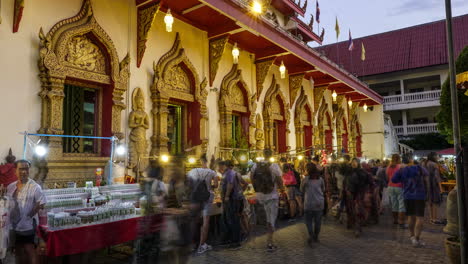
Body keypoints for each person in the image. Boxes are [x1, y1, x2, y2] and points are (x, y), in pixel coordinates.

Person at [7, 160, 46, 264]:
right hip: (13, 226)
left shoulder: (35, 187)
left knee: (30, 250)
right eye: (21, 169)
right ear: (15, 170)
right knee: (18, 250)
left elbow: (42, 203)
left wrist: (31, 213)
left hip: (28, 225)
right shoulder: (11, 187)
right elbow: (6, 203)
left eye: (26, 169)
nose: (24, 172)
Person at [392, 153, 429, 247]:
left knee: (410, 217)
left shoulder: (402, 170)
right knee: (419, 217)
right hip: (419, 195)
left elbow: (394, 180)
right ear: (411, 159)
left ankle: (412, 237)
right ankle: (417, 239)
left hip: (407, 196)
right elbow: (427, 178)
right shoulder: (420, 168)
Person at [250, 149, 283, 252]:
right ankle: (270, 243)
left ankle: (269, 240)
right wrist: (281, 189)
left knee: (267, 218)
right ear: (271, 155)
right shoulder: (274, 166)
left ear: (263, 155)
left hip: (261, 196)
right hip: (271, 196)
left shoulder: (255, 165)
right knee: (272, 220)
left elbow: (251, 177)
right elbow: (279, 180)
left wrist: (257, 188)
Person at [187, 154, 218, 254]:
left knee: (194, 221)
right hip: (207, 198)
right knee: (206, 221)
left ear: (200, 162)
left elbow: (187, 184)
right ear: (207, 162)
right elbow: (216, 185)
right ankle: (202, 245)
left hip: (195, 198)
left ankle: (192, 245)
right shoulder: (212, 172)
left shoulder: (192, 171)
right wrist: (209, 187)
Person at [300, 163, 324, 246]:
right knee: (318, 222)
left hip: (309, 203)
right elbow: (323, 189)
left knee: (308, 221)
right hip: (319, 203)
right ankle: (316, 237)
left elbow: (301, 190)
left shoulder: (305, 179)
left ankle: (311, 235)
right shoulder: (320, 179)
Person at [220, 160, 242, 249]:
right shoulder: (228, 173)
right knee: (229, 219)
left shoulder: (230, 173)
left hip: (232, 199)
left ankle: (236, 241)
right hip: (232, 199)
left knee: (233, 220)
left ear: (226, 165)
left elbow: (230, 184)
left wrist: (227, 196)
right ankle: (229, 239)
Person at [386, 154, 406, 227]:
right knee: (401, 205)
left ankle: (395, 220)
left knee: (394, 204)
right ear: (399, 158)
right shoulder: (401, 166)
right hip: (399, 186)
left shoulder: (388, 167)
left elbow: (387, 177)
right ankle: (401, 222)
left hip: (390, 186)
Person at [423, 152, 443, 225]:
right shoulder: (434, 164)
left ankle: (431, 218)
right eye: (437, 156)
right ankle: (435, 219)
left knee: (430, 202)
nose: (438, 157)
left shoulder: (425, 164)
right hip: (433, 185)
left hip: (426, 185)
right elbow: (437, 177)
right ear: (434, 156)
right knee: (435, 202)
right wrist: (440, 188)